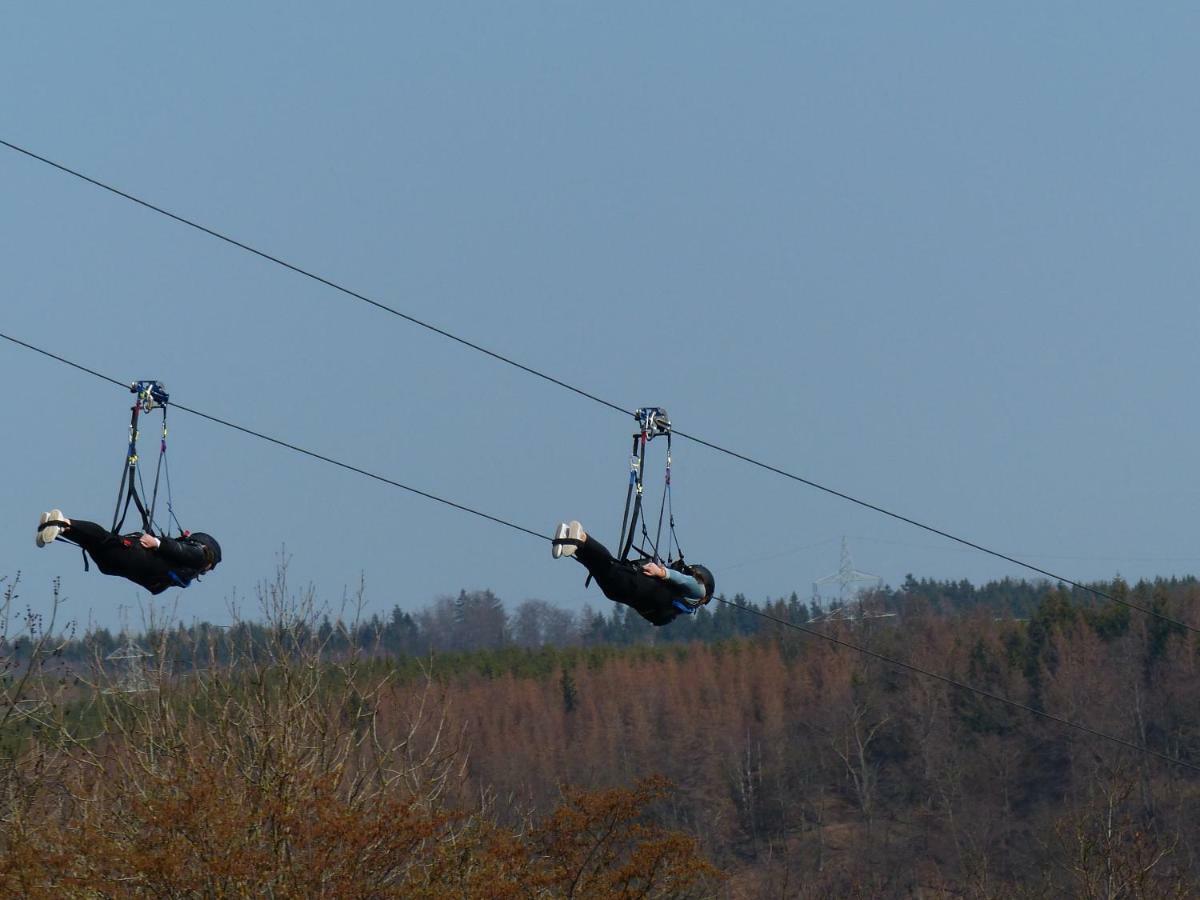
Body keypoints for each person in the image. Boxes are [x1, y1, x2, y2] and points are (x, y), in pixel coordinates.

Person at [551, 520, 714, 626]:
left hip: (635, 587)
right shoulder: (676, 606)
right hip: (622, 593)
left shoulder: (699, 591)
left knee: (606, 566)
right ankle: (575, 544)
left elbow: (682, 579)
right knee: (602, 568)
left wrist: (661, 572)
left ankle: (580, 538)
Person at [35, 509, 221, 595]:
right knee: (95, 544)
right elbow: (178, 551)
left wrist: (156, 542)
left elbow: (178, 550)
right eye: (210, 567)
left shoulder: (193, 562)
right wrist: (158, 544)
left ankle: (64, 524)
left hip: (133, 558)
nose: (208, 570)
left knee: (102, 539)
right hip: (118, 567)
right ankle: (59, 528)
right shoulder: (192, 563)